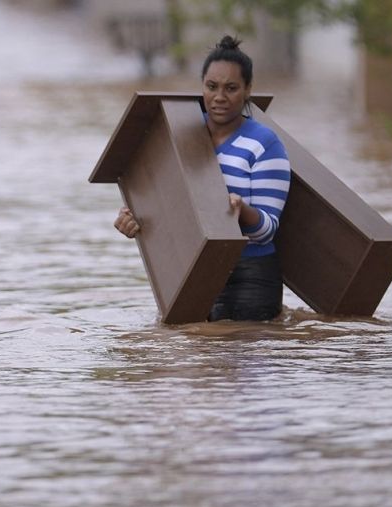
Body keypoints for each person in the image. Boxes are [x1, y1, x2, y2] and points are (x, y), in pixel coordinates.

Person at [114, 36, 291, 321]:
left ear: (248, 90)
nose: (219, 97)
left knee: (244, 357)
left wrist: (241, 211)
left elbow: (267, 230)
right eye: (212, 87)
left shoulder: (264, 144)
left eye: (231, 88)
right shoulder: (179, 135)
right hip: (193, 274)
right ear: (203, 87)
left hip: (251, 278)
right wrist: (134, 220)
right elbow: (165, 209)